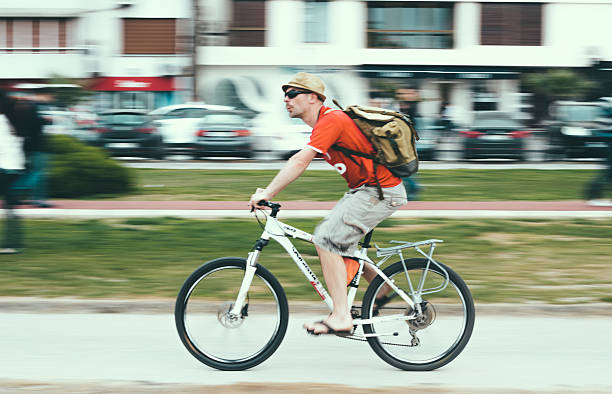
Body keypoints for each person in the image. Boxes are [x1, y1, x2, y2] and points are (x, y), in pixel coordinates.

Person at [249, 73, 408, 335]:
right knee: (337, 241)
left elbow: (300, 161)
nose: (286, 100)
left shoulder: (331, 119)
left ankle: (341, 316)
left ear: (313, 98)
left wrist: (268, 192)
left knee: (326, 240)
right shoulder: (324, 124)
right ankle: (383, 287)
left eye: (292, 94)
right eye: (284, 95)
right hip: (366, 191)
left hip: (379, 192)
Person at [10, 92, 52, 208]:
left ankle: (12, 198)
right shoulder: (32, 111)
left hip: (21, 147)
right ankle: (38, 199)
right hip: (36, 148)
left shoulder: (16, 112)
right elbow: (43, 122)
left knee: (19, 172)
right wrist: (47, 120)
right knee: (39, 173)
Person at [0, 91, 26, 254]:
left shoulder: (2, 121)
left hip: (5, 167)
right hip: (13, 167)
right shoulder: (10, 120)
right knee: (9, 205)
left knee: (9, 205)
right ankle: (14, 243)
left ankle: (13, 244)